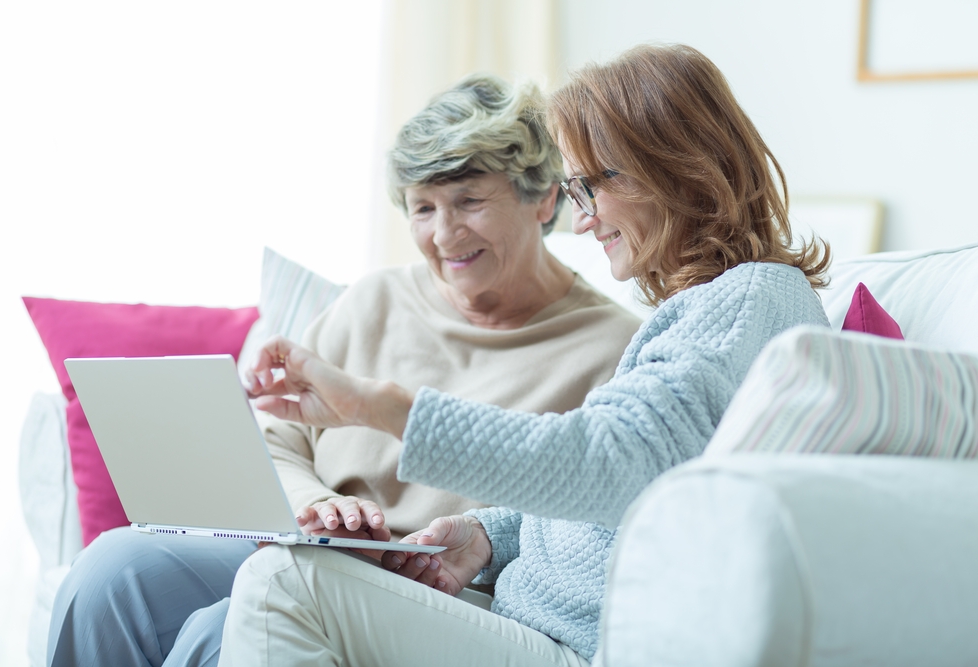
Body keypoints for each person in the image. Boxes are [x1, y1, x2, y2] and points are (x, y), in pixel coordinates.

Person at [219, 43, 832, 667]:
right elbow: (633, 497)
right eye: (576, 189)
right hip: (527, 615)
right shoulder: (712, 310)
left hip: (578, 644)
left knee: (283, 584)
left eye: (593, 187)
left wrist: (385, 409)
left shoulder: (749, 300)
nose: (583, 221)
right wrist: (489, 536)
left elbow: (606, 463)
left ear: (676, 171)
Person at [45, 75, 642, 667]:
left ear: (542, 198)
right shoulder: (372, 300)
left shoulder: (612, 347)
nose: (444, 233)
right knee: (110, 571)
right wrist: (319, 507)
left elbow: (578, 538)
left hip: (443, 591)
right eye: (423, 208)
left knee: (223, 629)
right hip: (307, 548)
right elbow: (277, 439)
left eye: (470, 201)